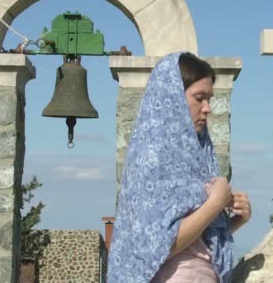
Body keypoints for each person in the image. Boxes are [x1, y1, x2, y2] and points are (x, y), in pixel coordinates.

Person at [107, 52, 252, 282]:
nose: (207, 108)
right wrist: (215, 203)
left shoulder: (198, 156)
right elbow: (160, 246)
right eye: (199, 98)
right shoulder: (152, 158)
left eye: (210, 99)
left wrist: (237, 220)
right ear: (172, 97)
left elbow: (196, 243)